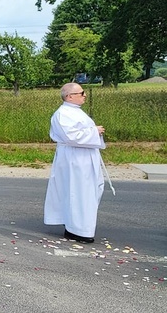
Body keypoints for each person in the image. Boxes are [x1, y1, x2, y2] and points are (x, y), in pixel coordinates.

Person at [44, 83, 106, 244]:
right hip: (75, 160)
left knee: (88, 192)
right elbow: (71, 136)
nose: (84, 95)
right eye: (81, 93)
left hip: (84, 158)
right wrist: (94, 131)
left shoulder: (74, 112)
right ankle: (78, 230)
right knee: (78, 192)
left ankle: (77, 225)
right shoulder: (63, 114)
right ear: (69, 96)